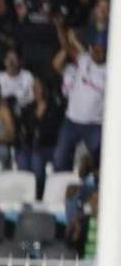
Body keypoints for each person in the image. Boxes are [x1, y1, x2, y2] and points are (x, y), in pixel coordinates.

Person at [53, 17, 106, 172]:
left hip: (94, 124)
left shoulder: (111, 70)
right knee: (60, 158)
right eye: (96, 49)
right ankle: (64, 184)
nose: (98, 53)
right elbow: (67, 47)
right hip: (71, 121)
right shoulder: (84, 60)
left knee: (100, 160)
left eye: (102, 50)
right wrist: (61, 29)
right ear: (91, 49)